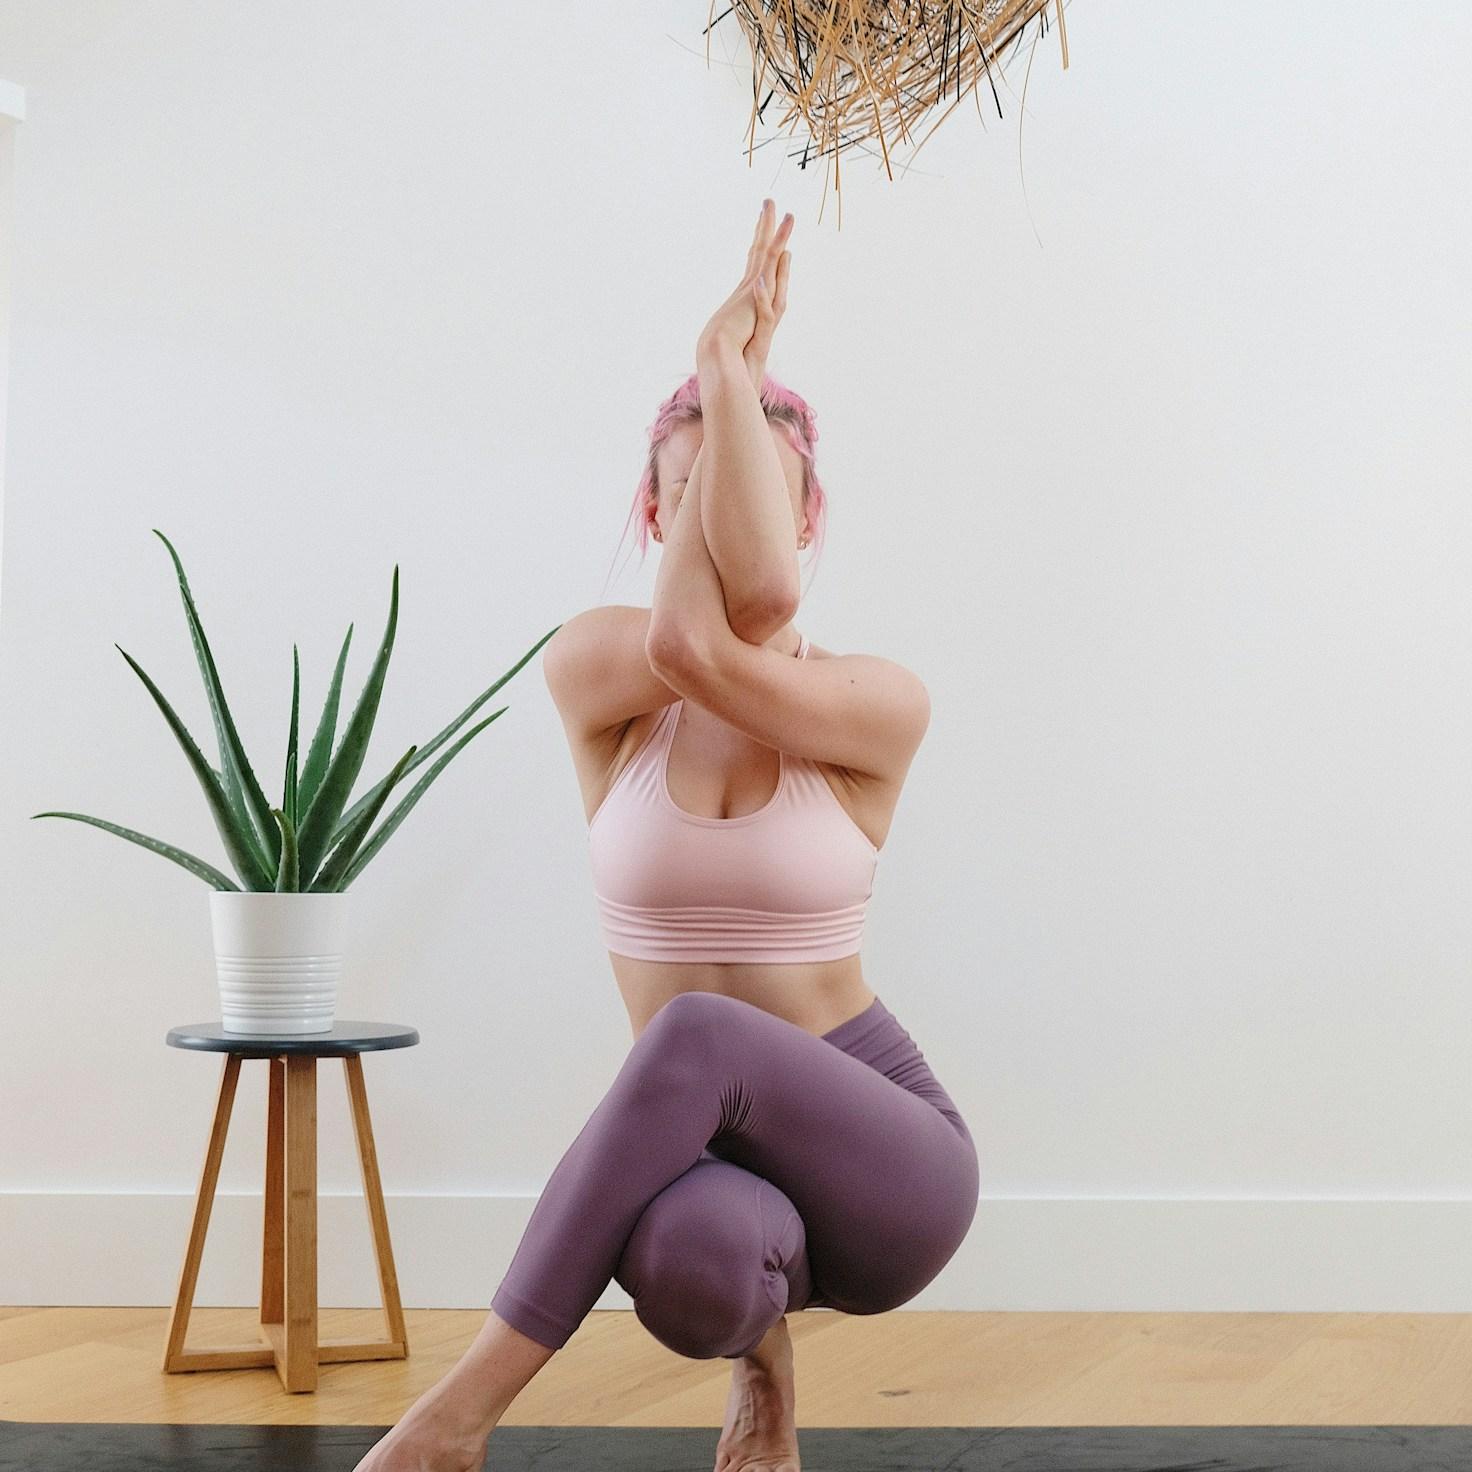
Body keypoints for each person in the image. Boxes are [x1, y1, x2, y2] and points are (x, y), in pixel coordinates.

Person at [355, 199, 979, 1472]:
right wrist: (729, 391)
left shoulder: (871, 702)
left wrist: (721, 372)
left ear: (803, 521)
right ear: (650, 518)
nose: (715, 517)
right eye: (684, 495)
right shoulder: (597, 673)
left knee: (695, 1030)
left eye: (750, 493)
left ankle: (450, 1421)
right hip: (710, 1169)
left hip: (884, 1155)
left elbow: (740, 615)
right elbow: (687, 633)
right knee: (688, 1267)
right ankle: (761, 1365)